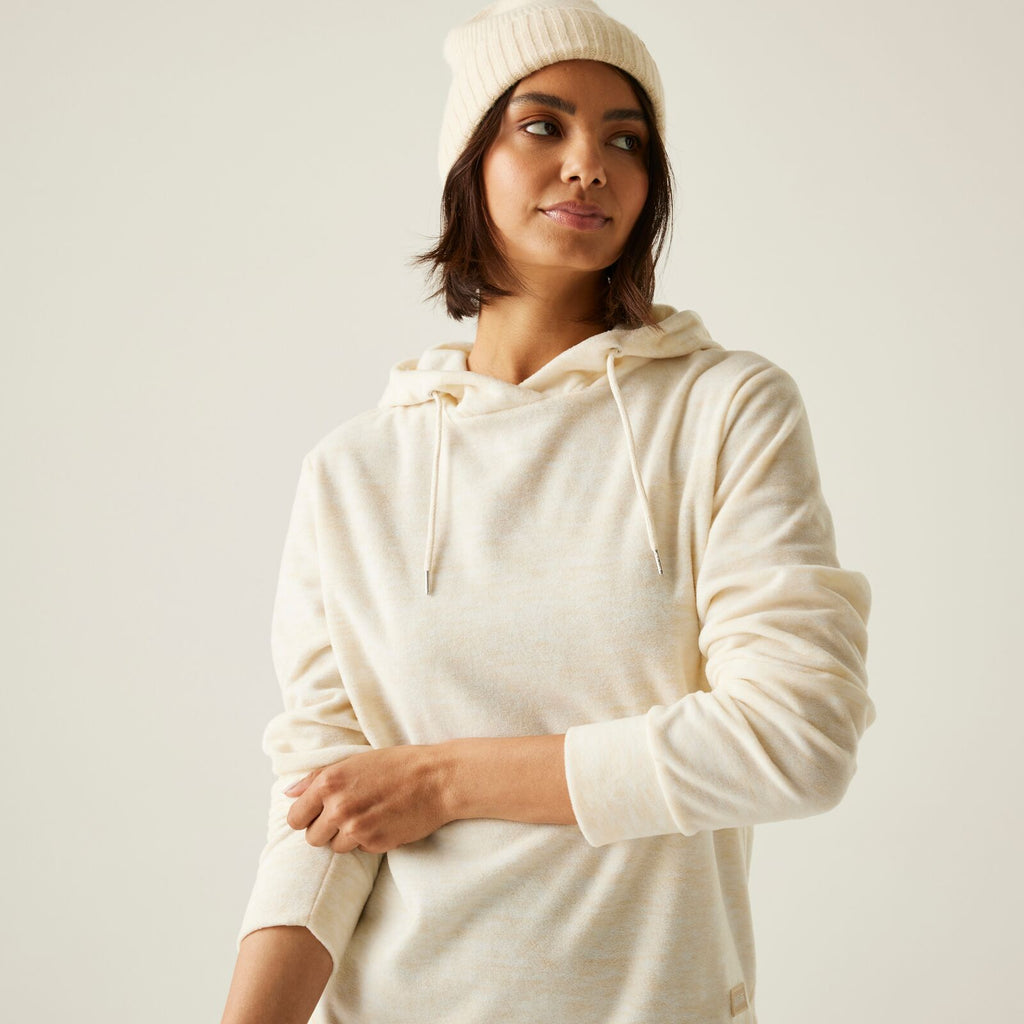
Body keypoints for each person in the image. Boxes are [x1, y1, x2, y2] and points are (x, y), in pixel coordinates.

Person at [219, 2, 876, 1022]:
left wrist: (444, 781)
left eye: (626, 140)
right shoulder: (354, 470)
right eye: (542, 125)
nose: (588, 165)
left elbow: (798, 737)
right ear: (469, 161)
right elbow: (321, 814)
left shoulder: (723, 410)